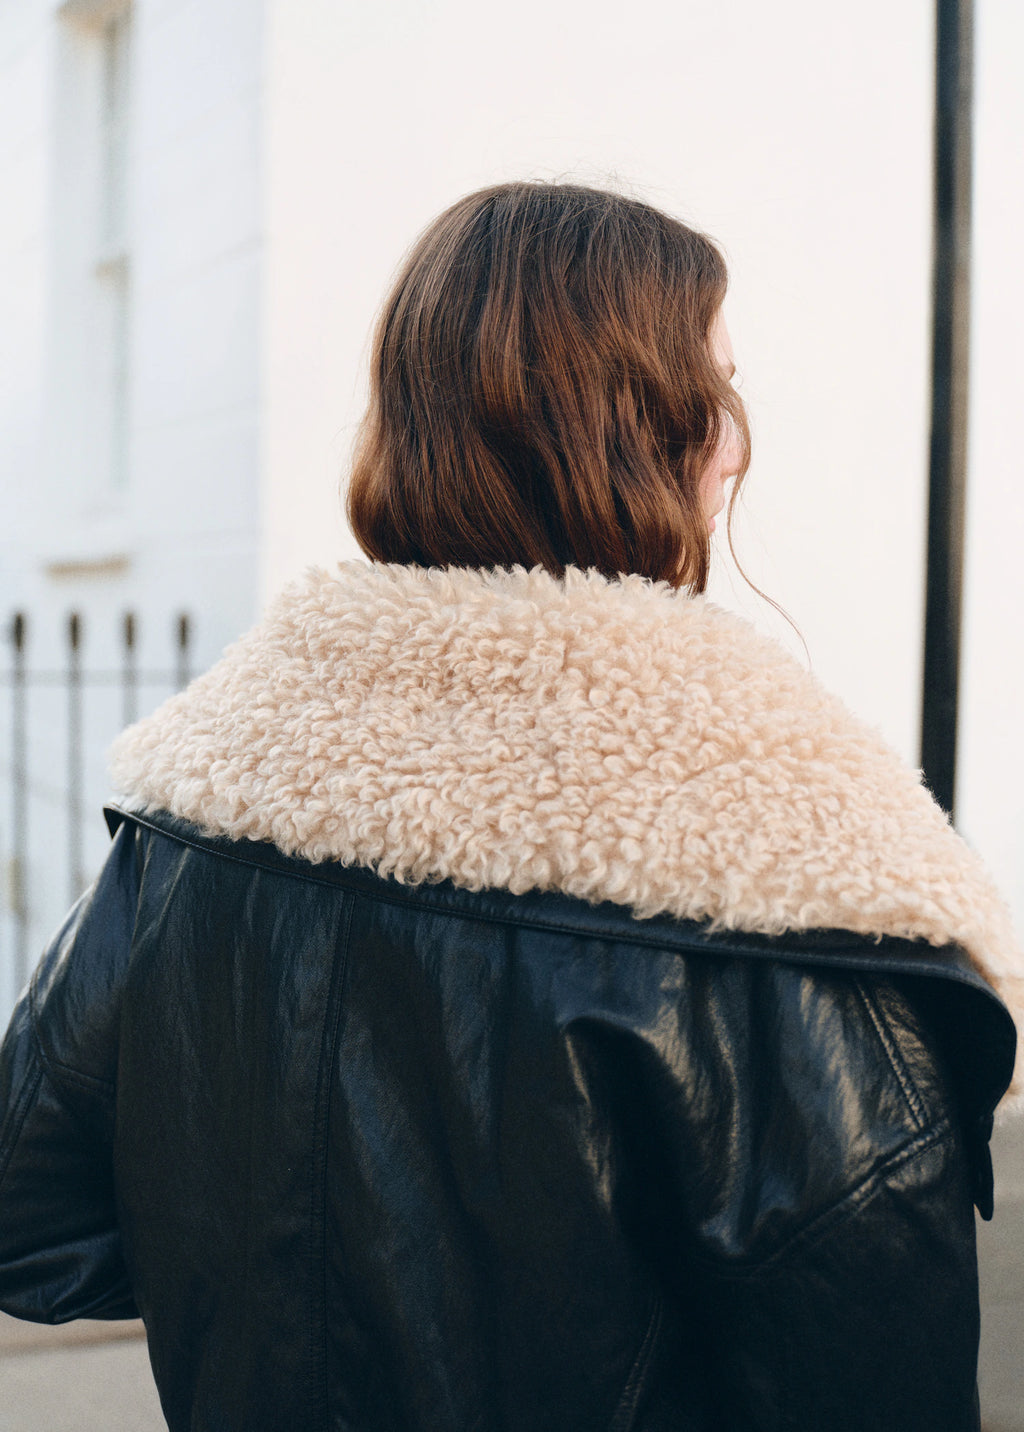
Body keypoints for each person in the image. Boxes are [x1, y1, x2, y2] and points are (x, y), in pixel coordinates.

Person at [0, 179, 1020, 1432]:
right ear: (640, 433)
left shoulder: (208, 808)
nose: (740, 442)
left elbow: (32, 1212)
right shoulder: (795, 889)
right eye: (719, 392)